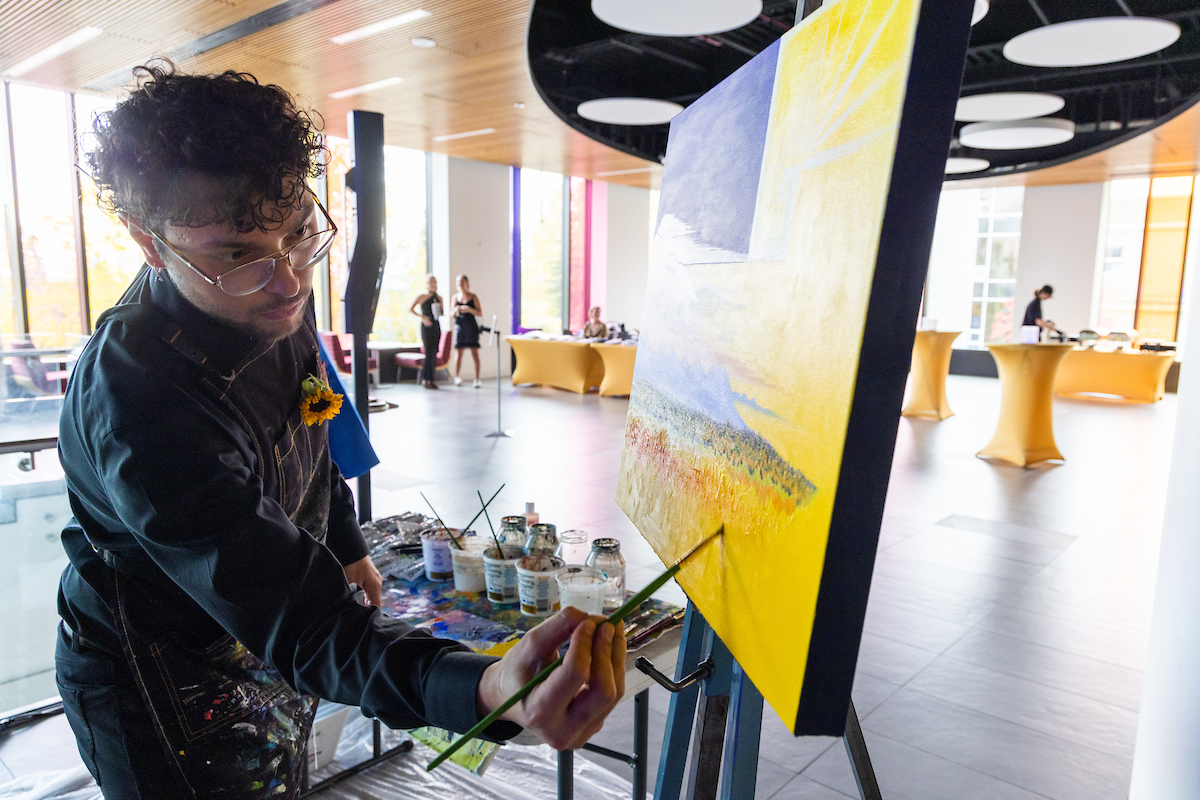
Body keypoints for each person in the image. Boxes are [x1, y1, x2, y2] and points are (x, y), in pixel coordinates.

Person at [55, 63, 624, 800]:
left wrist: (345, 543)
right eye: (236, 254)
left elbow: (309, 426)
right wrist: (484, 687)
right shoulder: (139, 402)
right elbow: (306, 623)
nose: (289, 281)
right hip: (155, 666)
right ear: (147, 241)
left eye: (297, 235)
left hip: (251, 632)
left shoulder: (266, 297)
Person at [410, 274, 443, 388]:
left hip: (435, 326)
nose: (433, 284)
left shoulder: (439, 298)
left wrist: (439, 311)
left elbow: (441, 313)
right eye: (431, 282)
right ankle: (425, 379)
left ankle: (432, 379)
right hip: (426, 326)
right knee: (428, 352)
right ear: (427, 284)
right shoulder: (422, 296)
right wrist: (423, 317)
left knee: (434, 353)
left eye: (435, 282)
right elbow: (411, 309)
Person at [450, 274, 483, 387]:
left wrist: (468, 309)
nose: (460, 284)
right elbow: (451, 314)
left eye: (462, 282)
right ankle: (457, 377)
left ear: (467, 283)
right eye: (458, 282)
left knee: (475, 353)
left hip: (471, 328)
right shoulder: (455, 297)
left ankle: (477, 379)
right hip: (460, 328)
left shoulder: (473, 297)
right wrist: (455, 310)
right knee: (459, 353)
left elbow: (479, 313)